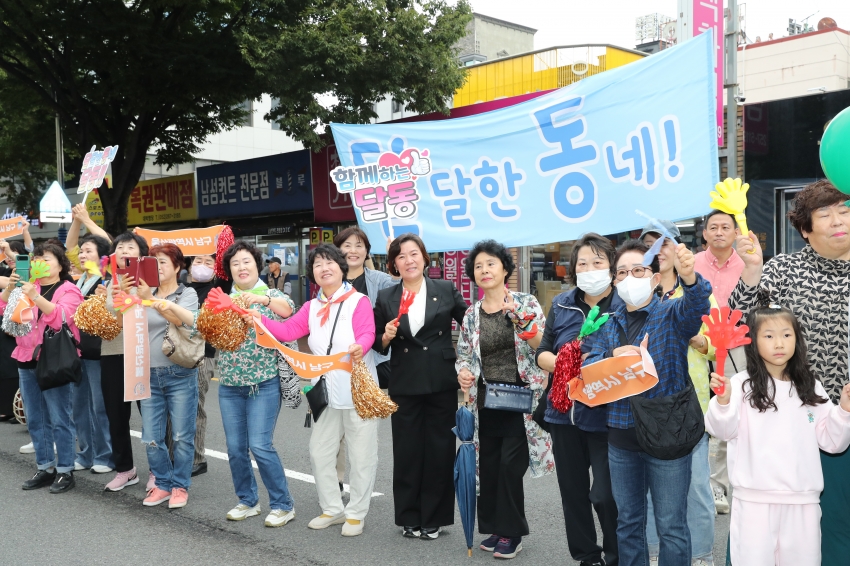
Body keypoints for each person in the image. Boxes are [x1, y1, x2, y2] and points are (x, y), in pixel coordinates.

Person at [728, 179, 850, 563]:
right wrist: (751, 272)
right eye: (825, 214)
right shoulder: (783, 269)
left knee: (839, 524)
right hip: (790, 418)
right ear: (804, 228)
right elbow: (738, 322)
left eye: (845, 211)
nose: (838, 220)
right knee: (774, 529)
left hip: (844, 415)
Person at [584, 239, 711, 566]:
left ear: (655, 279)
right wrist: (612, 355)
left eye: (638, 270)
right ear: (614, 281)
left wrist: (690, 278)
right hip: (621, 438)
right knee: (627, 523)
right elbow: (589, 363)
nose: (630, 278)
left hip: (667, 433)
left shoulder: (672, 313)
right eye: (622, 272)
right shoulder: (609, 323)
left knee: (671, 525)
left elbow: (696, 307)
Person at [157, 241, 297, 527]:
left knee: (260, 445)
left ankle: (283, 504)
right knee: (235, 448)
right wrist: (168, 306)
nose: (241, 267)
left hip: (264, 383)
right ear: (230, 270)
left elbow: (287, 311)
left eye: (246, 261)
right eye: (235, 264)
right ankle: (247, 500)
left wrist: (259, 301)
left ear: (256, 264)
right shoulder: (220, 297)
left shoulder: (269, 294)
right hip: (231, 386)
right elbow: (197, 322)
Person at [706, 305, 850, 565]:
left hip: (803, 503)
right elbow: (722, 430)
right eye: (769, 336)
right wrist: (724, 402)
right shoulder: (740, 385)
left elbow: (833, 442)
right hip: (753, 503)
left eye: (786, 334)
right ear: (753, 342)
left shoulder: (811, 387)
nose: (779, 343)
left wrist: (844, 411)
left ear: (797, 339)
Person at [257, 243, 378, 537]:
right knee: (319, 452)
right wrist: (258, 319)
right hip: (324, 390)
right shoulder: (312, 307)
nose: (324, 268)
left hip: (358, 388)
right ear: (313, 273)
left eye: (329, 262)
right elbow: (287, 331)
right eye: (317, 265)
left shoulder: (357, 300)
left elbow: (368, 333)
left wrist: (359, 348)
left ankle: (356, 514)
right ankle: (333, 509)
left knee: (362, 455)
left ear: (341, 266)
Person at [455, 239, 551, 560]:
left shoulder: (526, 303)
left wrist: (521, 319)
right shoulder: (471, 314)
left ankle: (512, 533)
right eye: (479, 266)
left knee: (511, 467)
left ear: (506, 269)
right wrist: (465, 373)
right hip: (487, 401)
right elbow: (464, 356)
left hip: (522, 400)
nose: (484, 270)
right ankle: (496, 527)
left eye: (491, 264)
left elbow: (542, 346)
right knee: (491, 466)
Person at [373, 233, 469, 540]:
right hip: (404, 382)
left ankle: (435, 518)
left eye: (413, 254)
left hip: (441, 380)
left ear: (425, 258)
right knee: (407, 452)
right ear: (394, 265)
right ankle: (409, 517)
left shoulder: (445, 288)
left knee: (440, 450)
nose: (408, 260)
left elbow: (469, 325)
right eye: (401, 256)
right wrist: (386, 336)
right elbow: (375, 340)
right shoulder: (387, 297)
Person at [535, 233, 620, 566]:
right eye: (583, 263)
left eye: (598, 262)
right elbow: (543, 352)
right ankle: (587, 557)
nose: (590, 269)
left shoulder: (623, 304)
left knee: (605, 496)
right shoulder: (562, 303)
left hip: (606, 417)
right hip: (563, 414)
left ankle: (616, 555)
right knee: (573, 495)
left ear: (612, 267)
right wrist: (564, 362)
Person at [642, 227, 718, 566]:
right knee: (649, 491)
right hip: (647, 408)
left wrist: (699, 341)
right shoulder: (638, 292)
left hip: (691, 404)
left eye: (664, 243)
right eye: (648, 244)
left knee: (697, 487)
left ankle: (701, 555)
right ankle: (657, 552)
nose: (656, 249)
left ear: (679, 250)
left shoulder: (695, 286)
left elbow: (716, 337)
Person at [0, 243, 84, 493]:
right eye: (37, 259)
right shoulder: (28, 286)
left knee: (60, 418)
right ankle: (45, 466)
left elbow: (61, 318)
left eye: (47, 259)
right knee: (35, 418)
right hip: (27, 357)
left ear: (61, 264)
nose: (41, 263)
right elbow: (6, 316)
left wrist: (34, 297)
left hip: (55, 360)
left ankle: (65, 470)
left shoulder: (69, 290)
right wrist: (12, 290)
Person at [131, 243, 199, 509]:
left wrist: (151, 300)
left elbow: (185, 320)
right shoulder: (143, 292)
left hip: (179, 372)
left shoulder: (187, 293)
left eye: (162, 262)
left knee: (182, 435)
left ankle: (180, 486)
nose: (157, 267)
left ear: (177, 267)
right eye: (153, 262)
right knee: (150, 437)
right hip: (148, 373)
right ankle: (162, 483)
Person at [692, 210, 745, 515]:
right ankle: (703, 481)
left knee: (729, 408)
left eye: (726, 227)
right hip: (698, 344)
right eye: (713, 227)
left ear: (735, 232)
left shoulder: (746, 263)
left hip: (735, 345)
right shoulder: (694, 264)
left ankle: (721, 485)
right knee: (701, 410)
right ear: (705, 233)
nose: (720, 232)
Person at [98, 232, 150, 492]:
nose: (124, 251)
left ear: (141, 255)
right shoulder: (110, 283)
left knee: (151, 415)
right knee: (116, 416)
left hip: (142, 354)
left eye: (130, 247)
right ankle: (125, 470)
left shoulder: (150, 281)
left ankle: (158, 470)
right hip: (113, 353)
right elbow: (109, 321)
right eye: (119, 247)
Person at [72, 233, 115, 474]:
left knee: (100, 406)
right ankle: (85, 453)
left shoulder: (106, 281)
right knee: (79, 407)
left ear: (101, 257)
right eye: (81, 251)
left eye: (88, 250)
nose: (82, 255)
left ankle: (105, 455)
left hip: (99, 353)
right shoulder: (77, 281)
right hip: (78, 352)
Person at [183, 253, 226, 477]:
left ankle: (197, 458)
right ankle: (177, 454)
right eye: (198, 261)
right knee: (176, 408)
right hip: (174, 353)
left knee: (194, 405)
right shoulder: (180, 289)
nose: (202, 266)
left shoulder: (216, 290)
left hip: (203, 354)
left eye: (208, 262)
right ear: (189, 266)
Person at [0, 240, 28, 424]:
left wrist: (9, 250)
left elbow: (26, 264)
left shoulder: (26, 272)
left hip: (24, 324)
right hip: (7, 322)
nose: (10, 258)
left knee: (13, 365)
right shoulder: (6, 274)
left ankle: (15, 408)